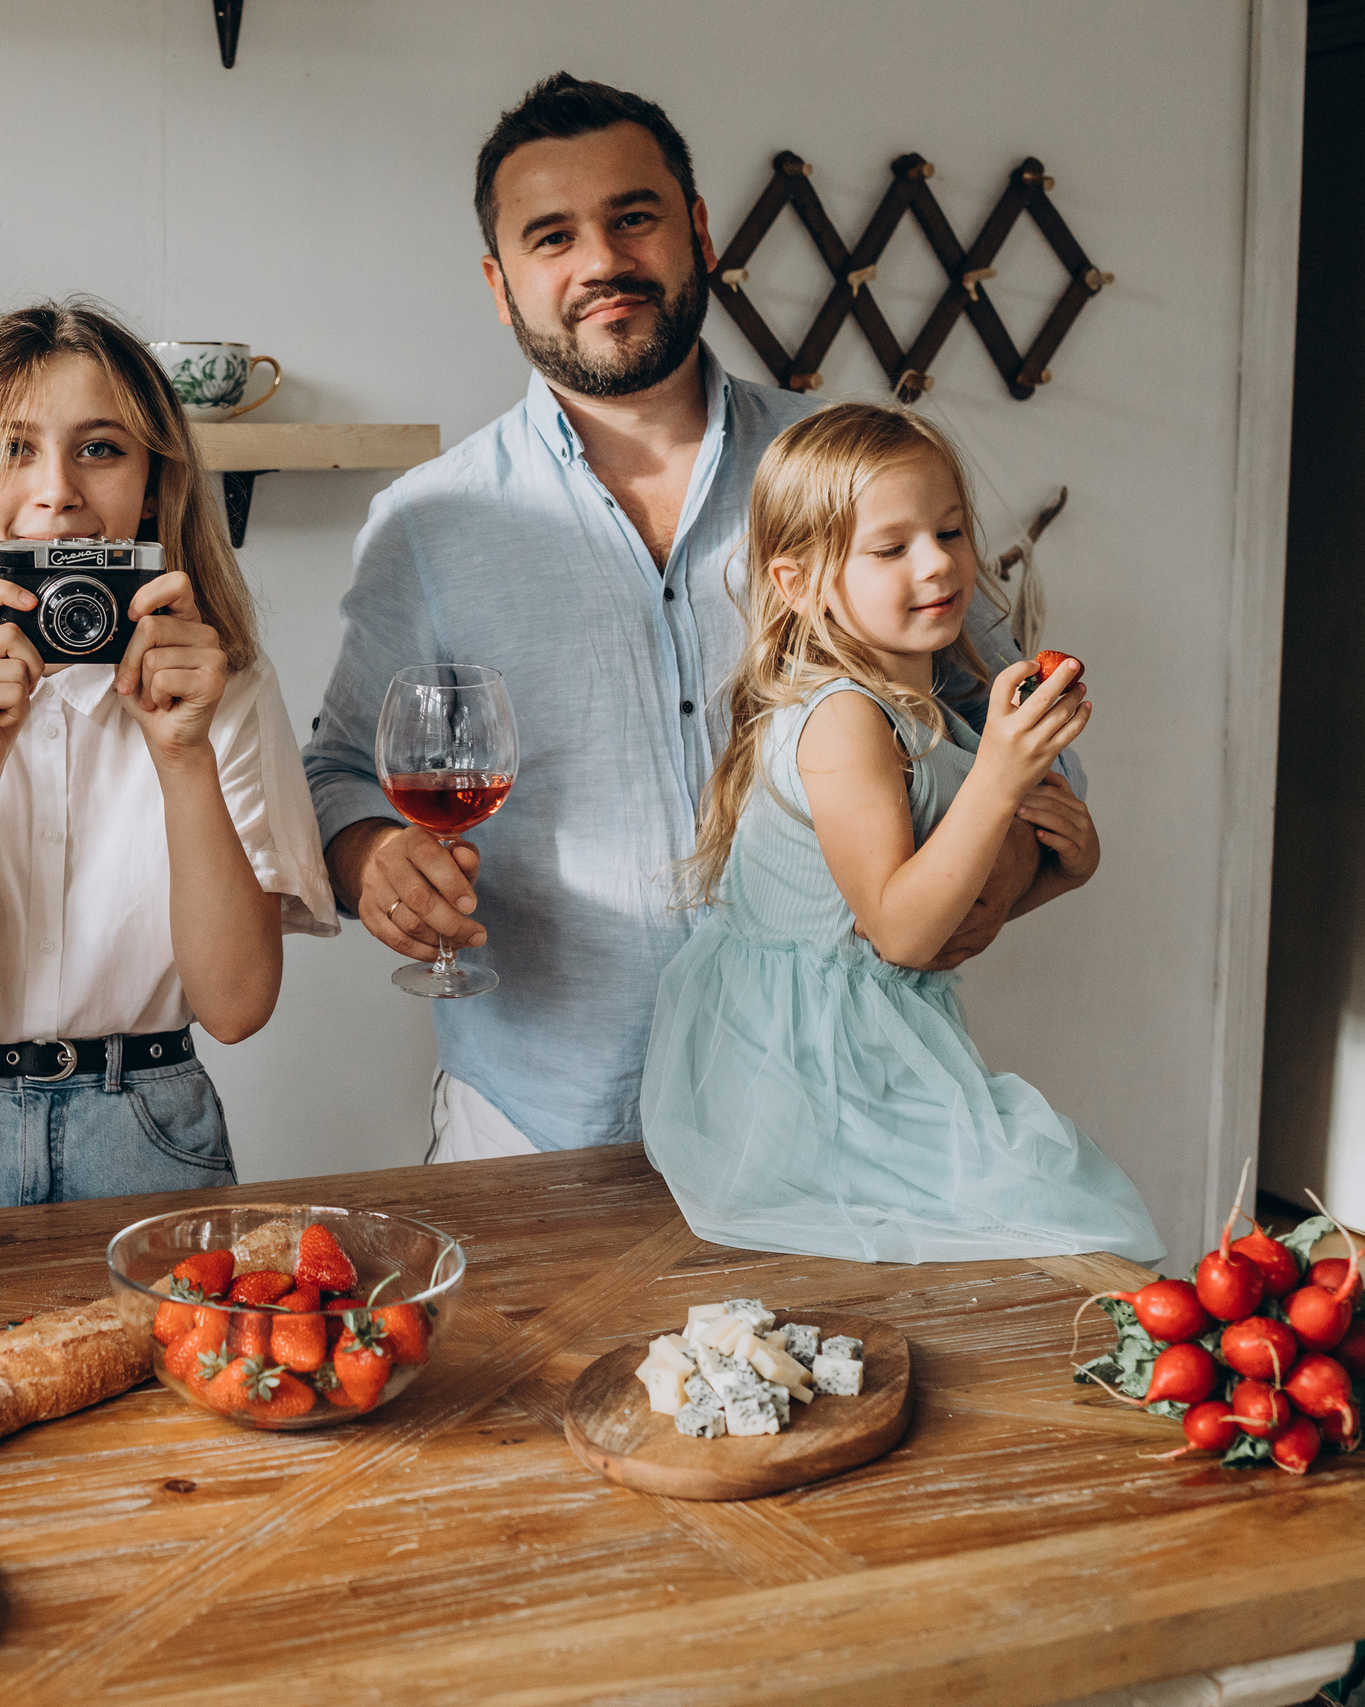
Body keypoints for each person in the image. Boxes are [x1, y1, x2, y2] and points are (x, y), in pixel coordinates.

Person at [302, 72, 1069, 1164]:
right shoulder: (427, 522)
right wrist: (373, 850)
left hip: (829, 1109)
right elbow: (334, 769)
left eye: (633, 217)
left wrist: (1002, 878)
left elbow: (1017, 726)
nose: (602, 262)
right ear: (500, 280)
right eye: (552, 236)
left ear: (697, 230)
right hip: (542, 1113)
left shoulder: (852, 469)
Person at [0, 301, 335, 1218]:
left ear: (153, 481)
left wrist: (183, 757)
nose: (57, 490)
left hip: (153, 1124)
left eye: (100, 447)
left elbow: (239, 1005)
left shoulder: (226, 689)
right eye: (13, 449)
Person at [640, 403, 1160, 1262]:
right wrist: (997, 776)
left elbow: (943, 918)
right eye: (891, 548)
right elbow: (903, 932)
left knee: (1081, 1226)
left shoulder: (919, 706)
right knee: (1092, 1224)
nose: (939, 564)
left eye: (951, 531)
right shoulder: (842, 717)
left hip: (876, 1053)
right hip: (808, 1091)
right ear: (799, 582)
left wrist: (1063, 871)